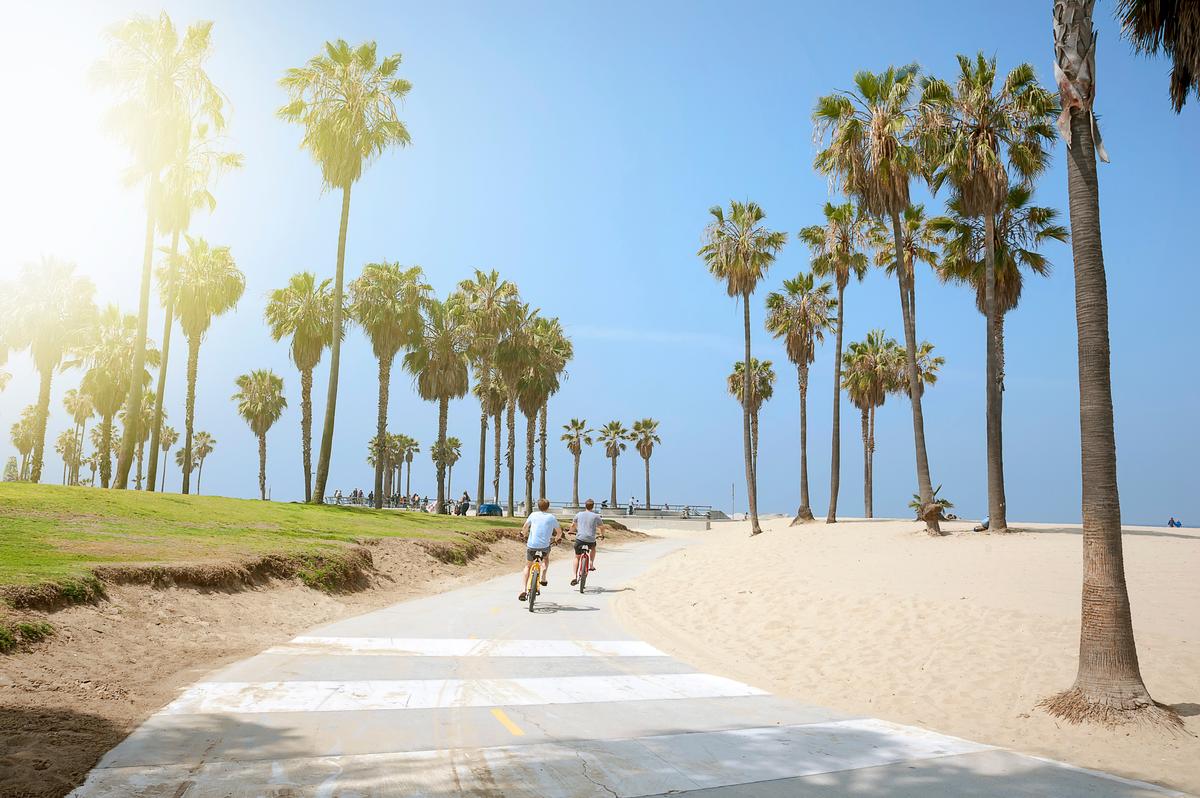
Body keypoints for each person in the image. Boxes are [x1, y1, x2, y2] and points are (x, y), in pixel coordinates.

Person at [519, 498, 562, 602]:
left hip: (532, 545)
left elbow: (525, 527)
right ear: (548, 507)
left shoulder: (533, 515)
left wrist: (523, 534)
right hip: (544, 546)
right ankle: (543, 577)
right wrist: (557, 539)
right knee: (546, 559)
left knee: (528, 566)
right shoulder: (551, 517)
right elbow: (559, 532)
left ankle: (523, 590)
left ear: (538, 506)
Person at [569, 498, 604, 586]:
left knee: (577, 557)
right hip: (590, 540)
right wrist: (602, 535)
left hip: (580, 539)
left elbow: (573, 525)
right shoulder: (596, 516)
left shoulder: (579, 514)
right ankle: (591, 563)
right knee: (593, 548)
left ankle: (574, 577)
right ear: (593, 506)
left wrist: (570, 531)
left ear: (585, 506)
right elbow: (602, 527)